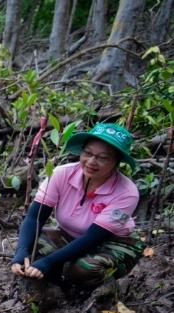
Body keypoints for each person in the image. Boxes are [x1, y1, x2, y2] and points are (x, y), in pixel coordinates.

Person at [11, 123, 143, 290]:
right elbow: (34, 218)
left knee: (83, 269)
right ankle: (57, 284)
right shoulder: (62, 174)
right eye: (87, 153)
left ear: (117, 161)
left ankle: (104, 291)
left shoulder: (126, 192)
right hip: (69, 235)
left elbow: (93, 238)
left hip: (111, 242)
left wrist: (48, 261)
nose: (91, 162)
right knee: (29, 246)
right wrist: (20, 252)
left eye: (102, 157)